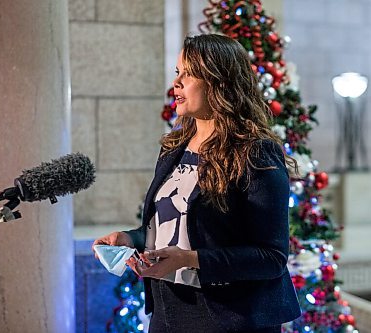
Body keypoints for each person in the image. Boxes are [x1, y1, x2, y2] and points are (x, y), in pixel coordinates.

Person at [93, 33, 301, 332]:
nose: (176, 83)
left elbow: (271, 257)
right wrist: (130, 239)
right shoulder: (173, 147)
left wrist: (189, 259)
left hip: (231, 318)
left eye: (188, 74)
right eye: (177, 72)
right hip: (168, 312)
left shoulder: (254, 152)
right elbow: (171, 227)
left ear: (219, 81)